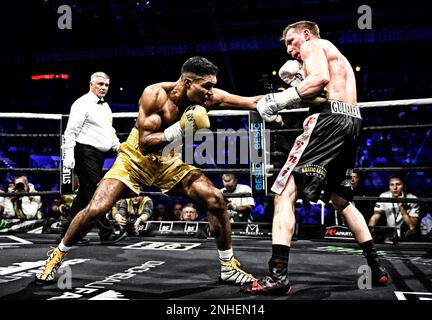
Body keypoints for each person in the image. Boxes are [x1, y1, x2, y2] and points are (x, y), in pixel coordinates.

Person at [35, 56, 260, 285]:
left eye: (213, 86)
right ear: (187, 82)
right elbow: (145, 142)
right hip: (134, 159)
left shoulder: (207, 97)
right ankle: (57, 254)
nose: (211, 92)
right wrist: (182, 128)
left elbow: (253, 101)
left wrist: (288, 98)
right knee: (96, 208)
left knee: (215, 199)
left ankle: (227, 267)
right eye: (207, 86)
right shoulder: (154, 94)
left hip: (168, 161)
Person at [242, 21, 390, 295]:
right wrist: (291, 97)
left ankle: (277, 276)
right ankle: (377, 267)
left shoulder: (313, 45)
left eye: (291, 41)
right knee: (341, 200)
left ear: (306, 34)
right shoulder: (336, 56)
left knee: (283, 191)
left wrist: (277, 101)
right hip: (352, 121)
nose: (290, 49)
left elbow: (320, 79)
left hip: (329, 122)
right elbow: (321, 89)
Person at [60, 71, 124, 244]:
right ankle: (106, 232)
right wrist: (68, 155)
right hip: (84, 152)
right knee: (97, 193)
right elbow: (70, 131)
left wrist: (119, 146)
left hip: (97, 155)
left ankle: (68, 231)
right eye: (100, 84)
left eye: (106, 85)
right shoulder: (82, 104)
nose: (104, 88)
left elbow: (109, 131)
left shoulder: (106, 107)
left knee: (84, 195)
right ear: (91, 84)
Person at [368, 175, 420, 241]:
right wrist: (368, 234)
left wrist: (402, 208)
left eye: (398, 184)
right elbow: (375, 217)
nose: (395, 187)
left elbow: (412, 227)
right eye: (392, 185)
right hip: (389, 235)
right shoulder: (384, 196)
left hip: (406, 236)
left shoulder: (413, 199)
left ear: (404, 185)